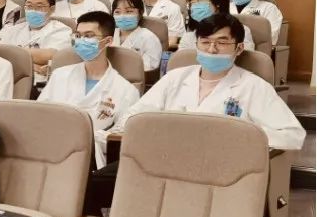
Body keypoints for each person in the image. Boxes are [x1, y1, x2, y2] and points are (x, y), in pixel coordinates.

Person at [113, 13, 304, 150]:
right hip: (166, 156)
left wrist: (239, 134)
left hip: (222, 167)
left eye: (221, 42)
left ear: (239, 48)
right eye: (205, 42)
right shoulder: (175, 78)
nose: (212, 49)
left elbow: (293, 135)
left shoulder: (254, 86)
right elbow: (132, 117)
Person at [38, 12, 140, 168]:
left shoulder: (126, 90)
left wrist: (86, 138)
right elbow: (40, 115)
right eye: (78, 35)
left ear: (108, 41)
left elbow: (121, 136)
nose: (81, 41)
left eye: (89, 36)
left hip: (90, 158)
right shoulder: (60, 75)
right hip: (48, 150)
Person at [0, 0, 72, 82]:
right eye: (29, 6)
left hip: (41, 83)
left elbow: (52, 56)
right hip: (9, 78)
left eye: (39, 7)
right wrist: (33, 66)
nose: (33, 10)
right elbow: (0, 54)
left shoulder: (62, 30)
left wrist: (14, 53)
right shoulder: (14, 29)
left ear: (52, 9)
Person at [179, 0, 254, 52]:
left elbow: (245, 58)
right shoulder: (189, 36)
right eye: (192, 2)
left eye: (200, 0)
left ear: (218, 3)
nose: (195, 5)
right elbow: (182, 59)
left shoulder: (240, 30)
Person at [111, 0, 163, 71]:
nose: (122, 16)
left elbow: (148, 70)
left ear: (140, 13)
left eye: (129, 11)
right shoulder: (109, 34)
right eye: (117, 12)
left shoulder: (149, 38)